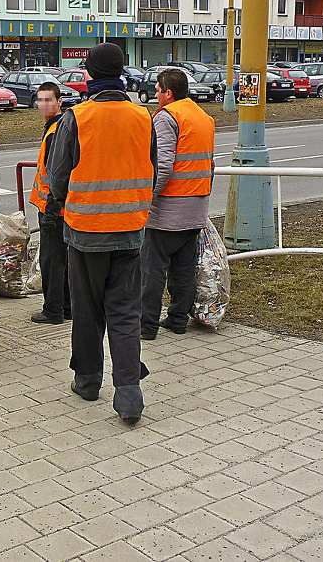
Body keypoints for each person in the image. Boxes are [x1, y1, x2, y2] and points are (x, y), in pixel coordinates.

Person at [48, 42, 157, 423]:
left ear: (90, 75)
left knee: (87, 310)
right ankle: (129, 391)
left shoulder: (76, 118)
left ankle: (89, 380)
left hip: (85, 231)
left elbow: (57, 176)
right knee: (126, 313)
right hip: (130, 231)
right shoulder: (144, 117)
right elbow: (153, 171)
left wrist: (63, 207)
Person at [140, 68, 215, 338]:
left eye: (158, 90)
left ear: (168, 93)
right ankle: (178, 320)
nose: (155, 94)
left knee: (152, 270)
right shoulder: (203, 117)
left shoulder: (166, 118)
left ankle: (146, 325)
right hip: (196, 207)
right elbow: (210, 164)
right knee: (183, 269)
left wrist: (146, 200)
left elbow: (162, 166)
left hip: (167, 210)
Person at [28, 81, 70, 325]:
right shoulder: (58, 127)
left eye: (48, 100)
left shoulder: (55, 132)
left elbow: (57, 175)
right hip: (58, 208)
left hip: (53, 209)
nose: (43, 105)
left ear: (59, 102)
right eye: (40, 100)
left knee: (52, 261)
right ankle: (67, 307)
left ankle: (53, 310)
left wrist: (51, 212)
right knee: (61, 260)